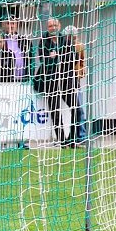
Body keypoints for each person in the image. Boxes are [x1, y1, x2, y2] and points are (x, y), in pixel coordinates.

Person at [36, 18, 82, 147]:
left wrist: (56, 56)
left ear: (59, 26)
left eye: (55, 25)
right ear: (47, 27)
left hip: (66, 80)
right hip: (51, 80)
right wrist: (59, 59)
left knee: (77, 109)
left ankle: (72, 139)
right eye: (50, 26)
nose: (53, 28)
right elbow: (44, 60)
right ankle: (62, 141)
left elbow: (74, 59)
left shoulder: (65, 40)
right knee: (55, 112)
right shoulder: (43, 41)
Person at [62, 26, 87, 143]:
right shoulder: (62, 46)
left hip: (75, 81)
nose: (72, 38)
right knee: (77, 109)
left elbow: (81, 62)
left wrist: (80, 72)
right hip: (65, 82)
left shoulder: (79, 46)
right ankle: (75, 137)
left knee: (79, 109)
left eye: (74, 36)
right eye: (70, 36)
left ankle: (80, 136)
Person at [1, 18, 31, 82]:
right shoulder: (0, 40)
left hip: (23, 79)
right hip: (6, 79)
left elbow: (30, 60)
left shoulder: (24, 41)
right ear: (4, 25)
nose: (11, 26)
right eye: (8, 23)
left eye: (13, 23)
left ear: (16, 25)